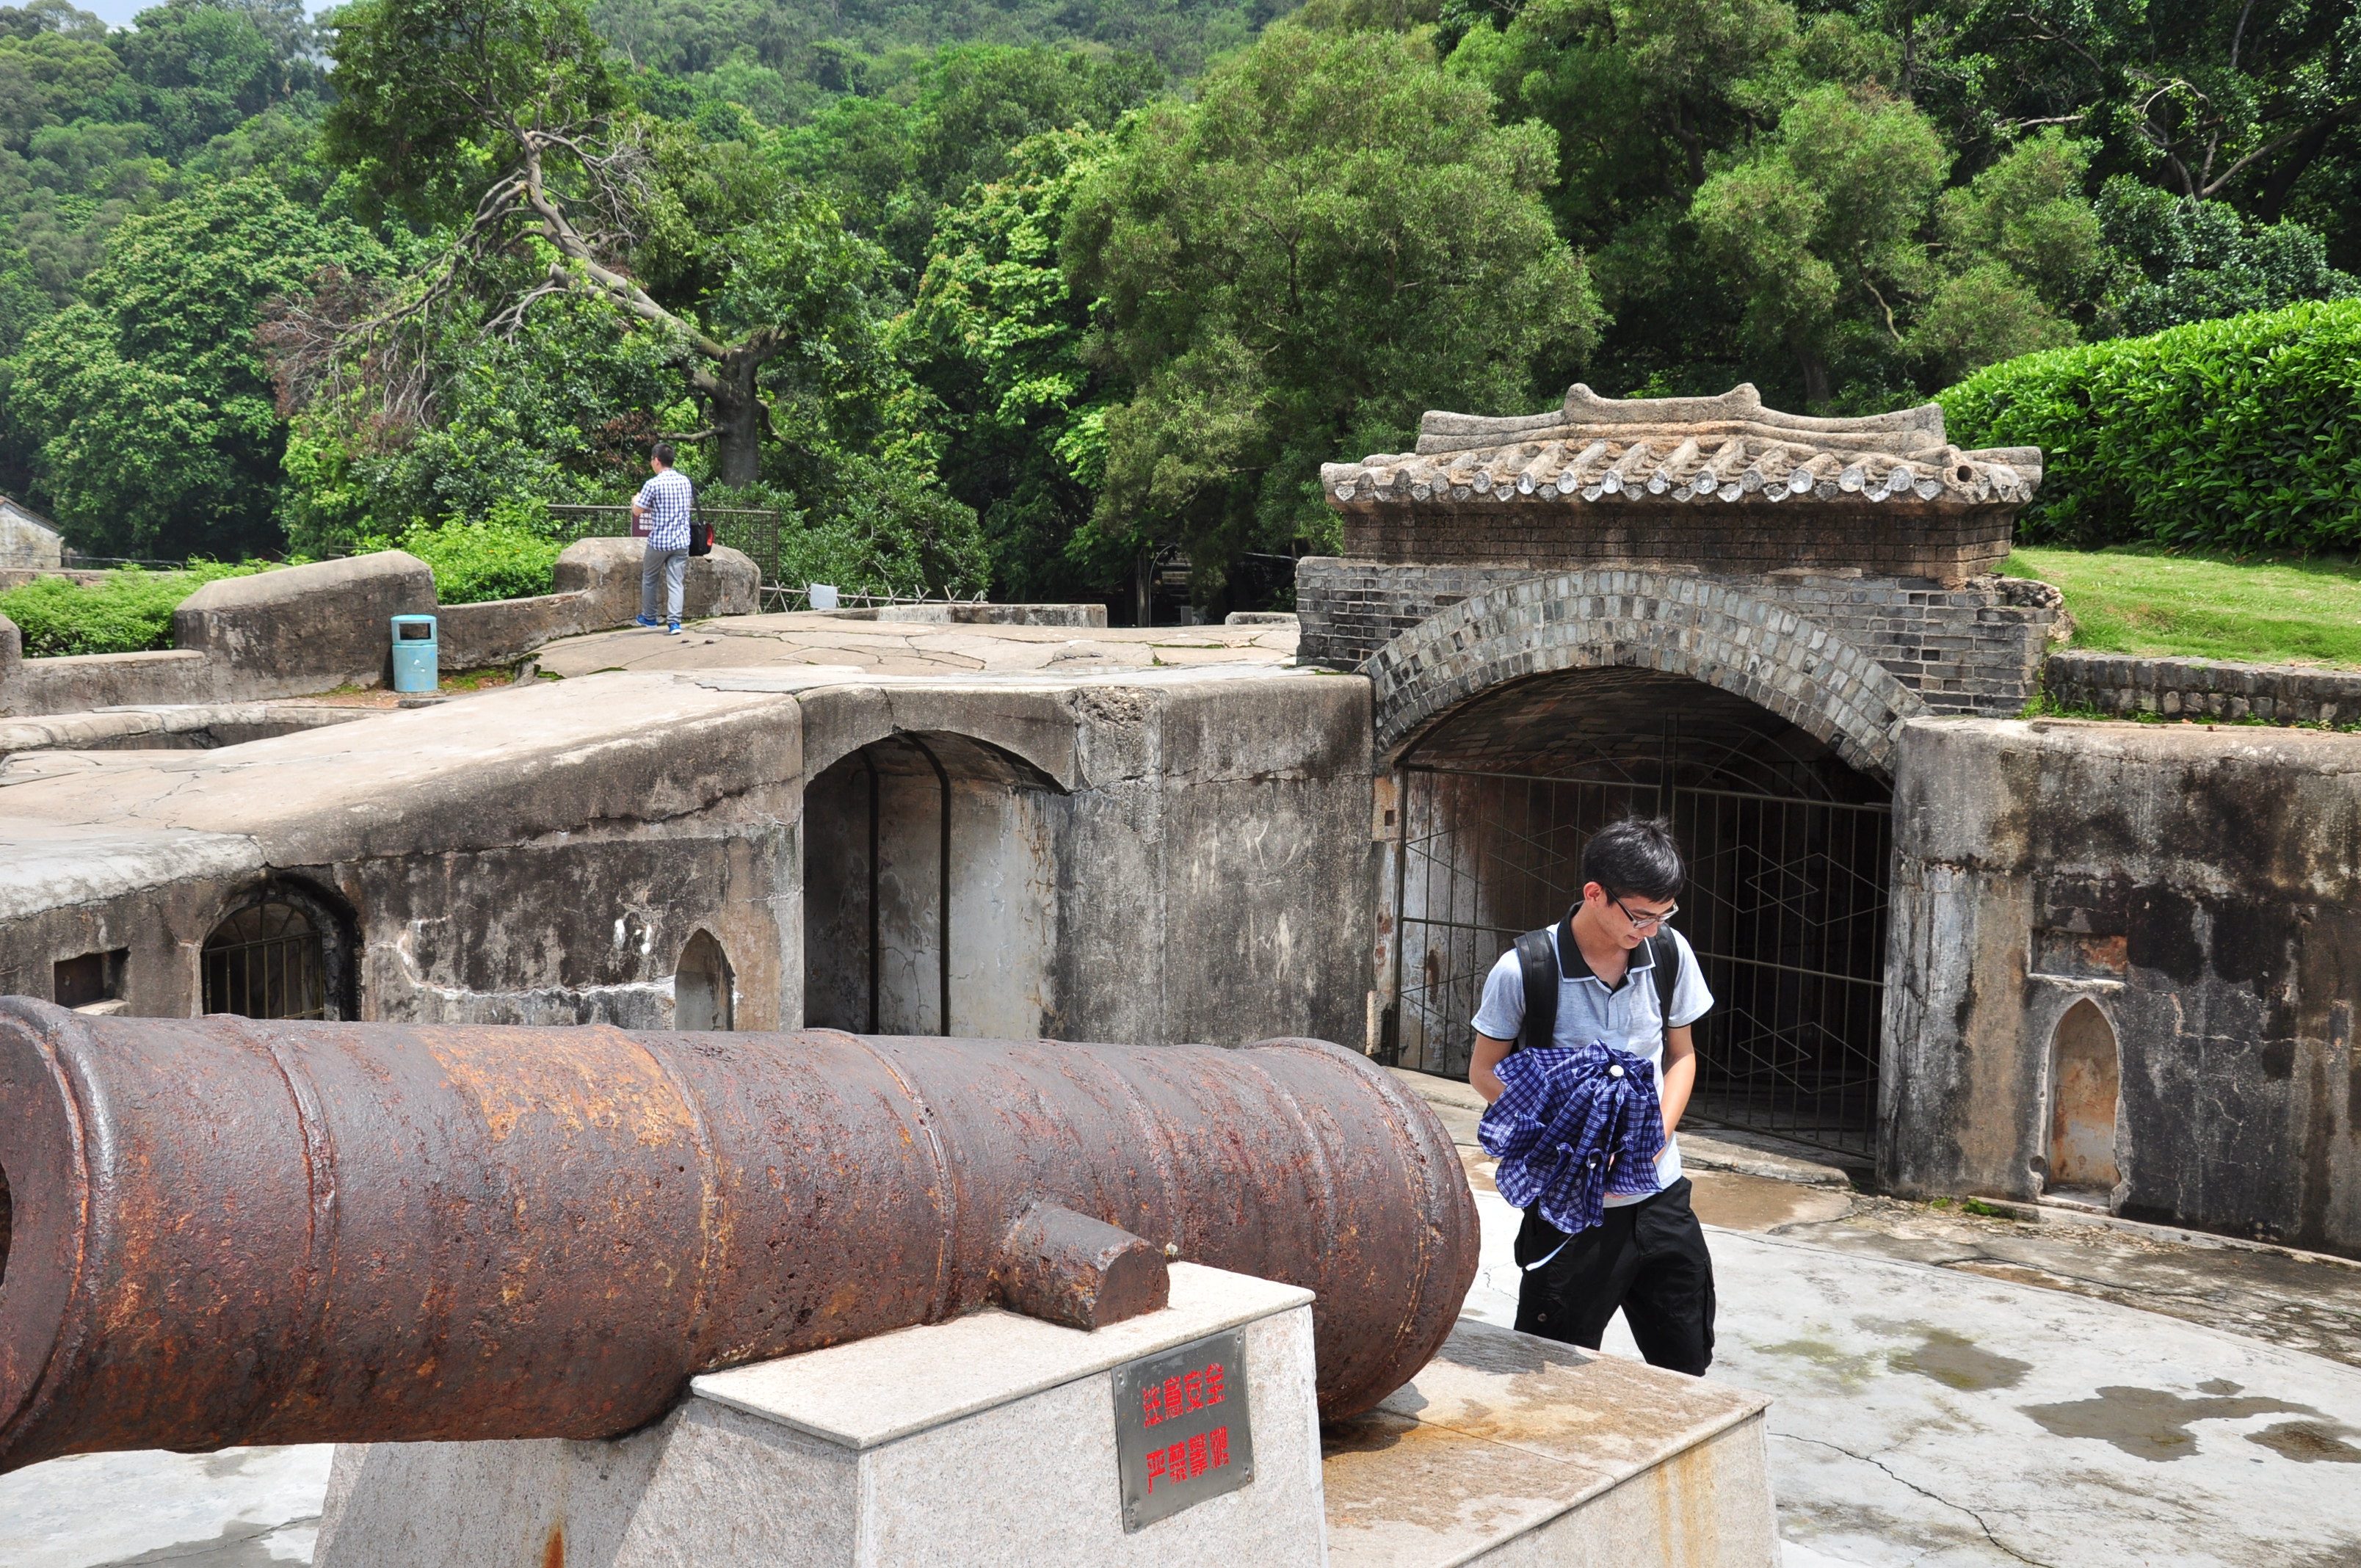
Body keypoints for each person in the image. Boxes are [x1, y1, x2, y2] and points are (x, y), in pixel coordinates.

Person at [1468, 815, 1718, 1374]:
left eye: (1664, 915)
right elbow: (1485, 1072)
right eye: (1640, 916)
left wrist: (1653, 1141)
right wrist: (1563, 1133)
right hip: (1569, 1210)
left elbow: (1681, 1056)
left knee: (1686, 1364)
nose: (1650, 929)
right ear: (1595, 894)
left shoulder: (1669, 955)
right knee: (1547, 1367)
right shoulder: (1524, 970)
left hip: (1660, 1199)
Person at [632, 442, 694, 634]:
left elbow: (638, 511)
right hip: (682, 541)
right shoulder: (685, 481)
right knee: (676, 582)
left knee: (650, 578)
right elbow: (689, 503)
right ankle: (674, 623)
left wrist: (635, 500)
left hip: (659, 542)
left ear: (657, 461)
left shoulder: (653, 483)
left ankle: (650, 618)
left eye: (652, 460)